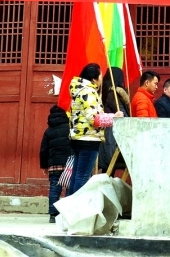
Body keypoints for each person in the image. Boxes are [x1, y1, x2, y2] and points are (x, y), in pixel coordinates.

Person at [67, 63, 123, 196]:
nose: (101, 79)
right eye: (100, 76)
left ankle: (69, 208)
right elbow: (94, 119)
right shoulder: (89, 92)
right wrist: (114, 117)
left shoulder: (78, 90)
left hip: (78, 137)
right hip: (89, 138)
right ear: (93, 79)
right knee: (82, 177)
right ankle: (77, 209)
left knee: (76, 175)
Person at [39, 105, 71, 223]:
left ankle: (53, 214)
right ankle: (67, 213)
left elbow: (43, 150)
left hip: (54, 165)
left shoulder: (48, 131)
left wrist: (44, 165)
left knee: (54, 189)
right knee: (69, 188)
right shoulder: (70, 127)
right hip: (69, 164)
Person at [98, 67, 130, 174]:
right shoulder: (113, 94)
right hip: (112, 132)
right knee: (110, 163)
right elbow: (121, 113)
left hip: (107, 129)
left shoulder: (103, 91)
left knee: (108, 167)